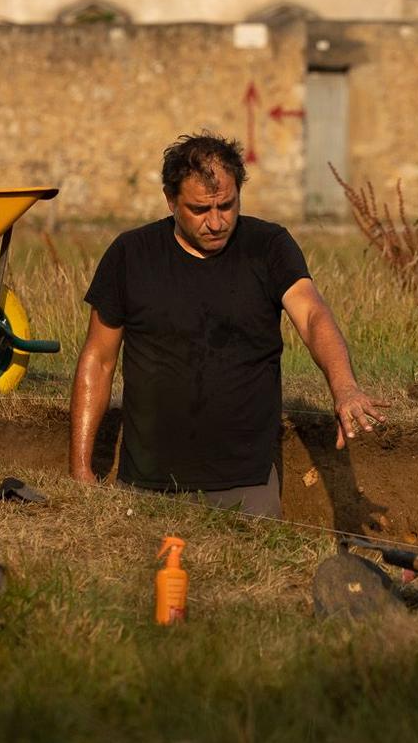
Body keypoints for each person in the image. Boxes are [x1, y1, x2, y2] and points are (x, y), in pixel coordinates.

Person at [68, 133, 383, 516]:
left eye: (227, 206)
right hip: (146, 486)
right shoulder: (130, 255)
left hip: (246, 485)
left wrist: (345, 387)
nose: (216, 222)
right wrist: (81, 471)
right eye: (200, 209)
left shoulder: (268, 247)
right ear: (170, 201)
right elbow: (98, 359)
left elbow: (313, 315)